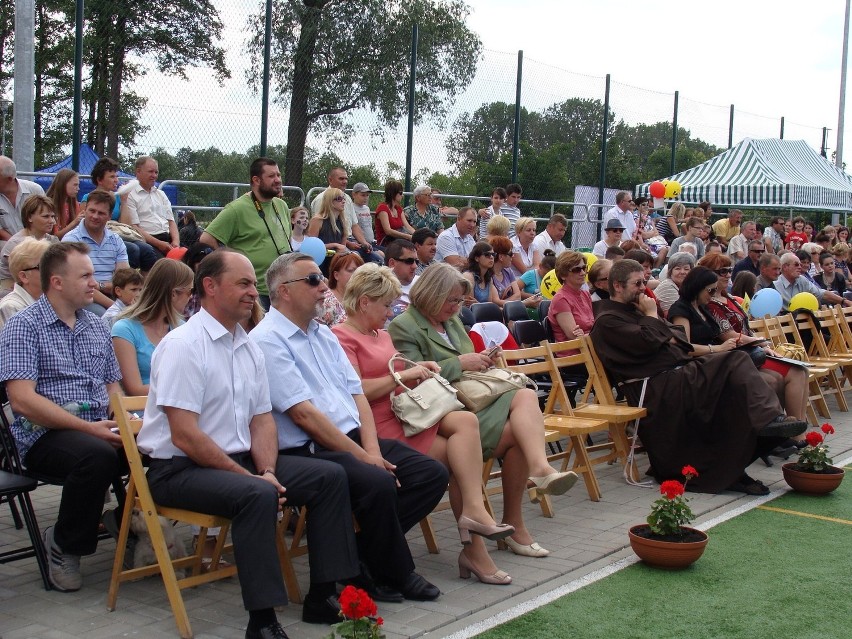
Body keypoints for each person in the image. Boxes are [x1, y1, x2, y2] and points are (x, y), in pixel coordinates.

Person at [137, 250, 359, 635]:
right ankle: (262, 622)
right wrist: (253, 478)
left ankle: (322, 596)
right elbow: (184, 434)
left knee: (329, 476)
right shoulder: (184, 345)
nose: (253, 293)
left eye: (251, 284)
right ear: (209, 286)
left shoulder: (248, 345)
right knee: (255, 495)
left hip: (238, 463)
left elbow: (261, 420)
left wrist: (268, 469)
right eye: (242, 284)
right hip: (179, 469)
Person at [249, 252, 448, 604]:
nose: (324, 285)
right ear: (284, 291)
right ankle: (398, 571)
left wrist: (370, 451)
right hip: (310, 448)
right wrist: (363, 457)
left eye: (321, 278)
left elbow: (357, 396)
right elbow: (303, 416)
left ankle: (360, 555)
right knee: (377, 481)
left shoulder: (322, 335)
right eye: (312, 280)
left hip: (351, 438)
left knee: (429, 473)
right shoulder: (267, 340)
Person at [332, 263, 515, 584]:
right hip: (376, 423)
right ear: (364, 302)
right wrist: (406, 374)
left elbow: (398, 376)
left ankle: (474, 520)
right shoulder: (341, 337)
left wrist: (423, 368)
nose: (390, 312)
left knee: (464, 428)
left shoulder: (381, 335)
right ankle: (473, 542)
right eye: (386, 304)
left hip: (402, 414)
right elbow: (356, 390)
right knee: (461, 457)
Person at [389, 263, 579, 557]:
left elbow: (466, 361)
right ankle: (533, 485)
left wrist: (484, 358)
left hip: (474, 400)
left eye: (458, 301)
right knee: (522, 408)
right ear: (430, 294)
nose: (456, 308)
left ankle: (525, 500)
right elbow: (413, 378)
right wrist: (461, 364)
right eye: (451, 300)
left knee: (525, 399)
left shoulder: (450, 320)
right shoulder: (404, 326)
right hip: (446, 412)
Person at [590, 258, 807, 494]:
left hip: (676, 376)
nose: (643, 288)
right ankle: (767, 420)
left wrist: (654, 323)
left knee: (733, 392)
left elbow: (677, 337)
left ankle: (738, 465)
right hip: (654, 388)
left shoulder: (636, 311)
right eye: (637, 284)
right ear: (618, 286)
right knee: (735, 360)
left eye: (644, 282)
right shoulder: (607, 321)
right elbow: (650, 341)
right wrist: (652, 316)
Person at [0, 242, 126, 592]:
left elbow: (113, 387)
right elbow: (23, 401)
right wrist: (90, 429)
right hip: (43, 433)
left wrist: (126, 423)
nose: (95, 282)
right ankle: (65, 543)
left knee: (161, 444)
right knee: (96, 455)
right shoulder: (24, 325)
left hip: (97, 424)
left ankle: (125, 522)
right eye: (85, 275)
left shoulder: (98, 326)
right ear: (56, 282)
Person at [697, 255, 809, 430]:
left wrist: (762, 344)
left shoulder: (731, 298)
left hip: (752, 351)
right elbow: (730, 336)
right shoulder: (710, 304)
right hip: (738, 356)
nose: (727, 275)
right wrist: (761, 342)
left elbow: (747, 329)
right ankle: (794, 432)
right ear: (707, 276)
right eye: (721, 272)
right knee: (792, 373)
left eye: (729, 270)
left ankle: (799, 426)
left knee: (801, 369)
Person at [199, 157, 292, 309]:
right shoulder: (237, 209)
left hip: (281, 288)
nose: (277, 180)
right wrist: (232, 264)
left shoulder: (281, 205)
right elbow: (207, 238)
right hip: (255, 292)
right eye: (271, 176)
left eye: (278, 175)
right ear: (256, 180)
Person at [111, 259, 194, 396]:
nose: (191, 297)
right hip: (144, 411)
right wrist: (185, 391)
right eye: (190, 291)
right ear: (173, 294)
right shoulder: (124, 329)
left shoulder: (182, 327)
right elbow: (135, 389)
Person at [84, 156, 158, 274]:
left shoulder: (117, 197)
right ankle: (125, 284)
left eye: (116, 176)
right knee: (133, 250)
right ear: (100, 180)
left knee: (147, 250)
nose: (116, 180)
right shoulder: (88, 198)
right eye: (112, 177)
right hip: (103, 235)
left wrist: (124, 201)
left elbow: (125, 224)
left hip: (119, 233)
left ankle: (145, 288)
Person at [62, 189, 130, 316]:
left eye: (101, 213)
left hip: (114, 295)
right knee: (106, 316)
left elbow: (124, 280)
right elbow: (81, 284)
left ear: (110, 216)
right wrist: (116, 308)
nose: (95, 216)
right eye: (92, 211)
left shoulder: (116, 240)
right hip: (83, 297)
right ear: (85, 210)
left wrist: (101, 286)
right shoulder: (72, 240)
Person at [120, 156, 179, 257]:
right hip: (148, 240)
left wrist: (176, 242)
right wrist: (159, 244)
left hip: (168, 239)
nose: (154, 175)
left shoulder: (161, 194)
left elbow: (171, 221)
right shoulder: (130, 195)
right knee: (164, 265)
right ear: (138, 172)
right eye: (150, 172)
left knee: (191, 257)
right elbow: (134, 227)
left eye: (156, 172)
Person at [310, 167, 375, 260]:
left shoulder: (347, 200)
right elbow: (313, 245)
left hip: (344, 247)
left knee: (377, 257)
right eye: (341, 178)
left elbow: (354, 225)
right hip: (324, 253)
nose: (345, 181)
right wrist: (341, 246)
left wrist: (364, 243)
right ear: (330, 180)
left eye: (346, 179)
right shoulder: (321, 201)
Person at [0, 195, 59, 295]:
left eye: (52, 216)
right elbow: (23, 281)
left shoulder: (53, 241)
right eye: (46, 216)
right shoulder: (16, 244)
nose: (52, 221)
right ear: (29, 217)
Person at [0, 238, 50, 329]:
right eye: (43, 266)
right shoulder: (11, 307)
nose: (52, 271)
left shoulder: (51, 300)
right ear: (24, 276)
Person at [774, 252, 849, 311]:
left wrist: (844, 301)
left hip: (805, 321)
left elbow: (822, 294)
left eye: (800, 264)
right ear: (785, 267)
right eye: (796, 265)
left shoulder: (802, 280)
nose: (800, 267)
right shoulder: (775, 285)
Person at [547, 251, 593, 344]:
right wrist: (599, 333)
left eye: (584, 268)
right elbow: (573, 337)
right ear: (563, 275)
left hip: (591, 346)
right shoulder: (561, 299)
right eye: (577, 270)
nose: (583, 273)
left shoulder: (586, 294)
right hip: (572, 354)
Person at [0, 156, 46, 245]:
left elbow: (47, 218)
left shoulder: (35, 190)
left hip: (37, 242)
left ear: (9, 178)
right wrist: (19, 244)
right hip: (7, 244)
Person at [318, 250, 363, 327]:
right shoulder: (325, 302)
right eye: (350, 271)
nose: (356, 275)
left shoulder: (363, 300)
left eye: (359, 271)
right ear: (336, 275)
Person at [384, 239, 418, 319]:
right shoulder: (379, 289)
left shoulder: (423, 283)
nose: (415, 266)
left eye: (416, 261)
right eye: (409, 261)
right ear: (392, 263)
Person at [653, 251, 695, 315]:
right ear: (670, 271)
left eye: (686, 269)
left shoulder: (686, 287)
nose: (682, 272)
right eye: (678, 269)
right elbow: (674, 316)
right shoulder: (667, 286)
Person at [374, 180, 414, 246]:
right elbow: (388, 231)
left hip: (398, 241)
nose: (402, 195)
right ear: (393, 193)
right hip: (386, 243)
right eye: (400, 193)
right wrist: (408, 236)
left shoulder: (398, 208)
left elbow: (407, 226)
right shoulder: (382, 208)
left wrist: (418, 235)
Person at [46, 168, 82, 239]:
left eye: (78, 185)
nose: (78, 188)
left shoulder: (73, 203)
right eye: (75, 185)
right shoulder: (48, 204)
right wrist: (74, 223)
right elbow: (54, 237)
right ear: (63, 184)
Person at [463, 241, 501, 305]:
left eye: (493, 254)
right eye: (487, 255)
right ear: (476, 258)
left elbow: (489, 305)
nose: (491, 257)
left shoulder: (489, 279)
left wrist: (478, 303)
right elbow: (468, 306)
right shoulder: (469, 277)